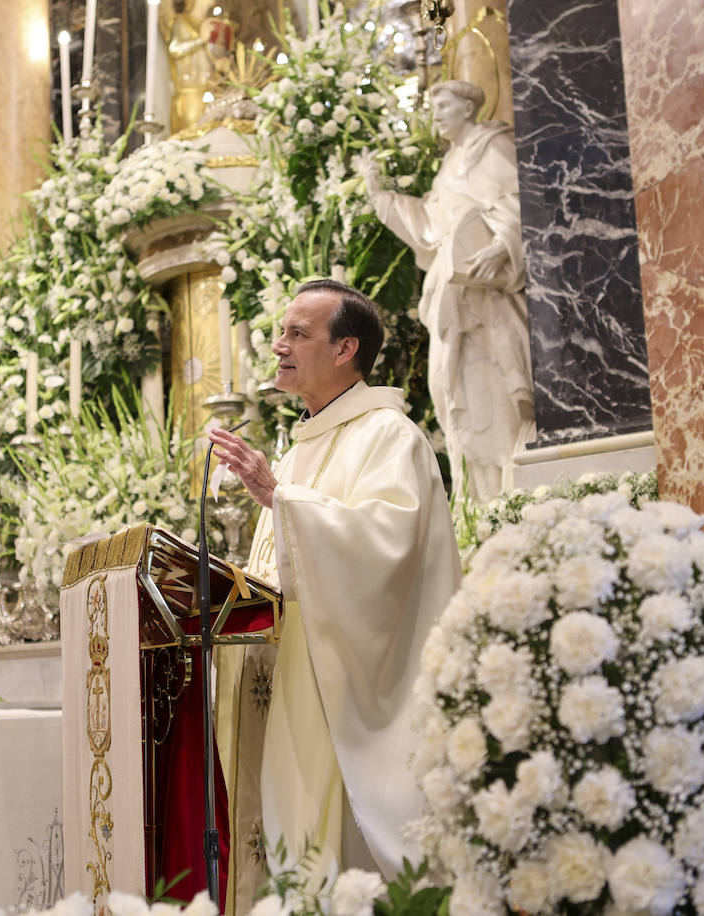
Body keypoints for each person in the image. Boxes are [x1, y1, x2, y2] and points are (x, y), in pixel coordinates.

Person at [208, 279, 461, 885]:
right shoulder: (298, 453)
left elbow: (387, 548)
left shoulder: (390, 436)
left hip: (342, 690)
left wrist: (280, 499)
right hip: (284, 679)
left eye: (298, 333)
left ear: (346, 349)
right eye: (281, 332)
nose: (279, 346)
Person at [359, 79, 534, 501]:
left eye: (444, 104)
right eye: (433, 105)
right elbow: (431, 228)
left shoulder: (490, 148)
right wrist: (379, 194)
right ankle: (482, 507)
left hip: (487, 297)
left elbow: (522, 202)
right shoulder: (449, 165)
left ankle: (514, 499)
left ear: (469, 107)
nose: (435, 114)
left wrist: (501, 244)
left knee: (490, 391)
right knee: (454, 394)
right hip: (451, 297)